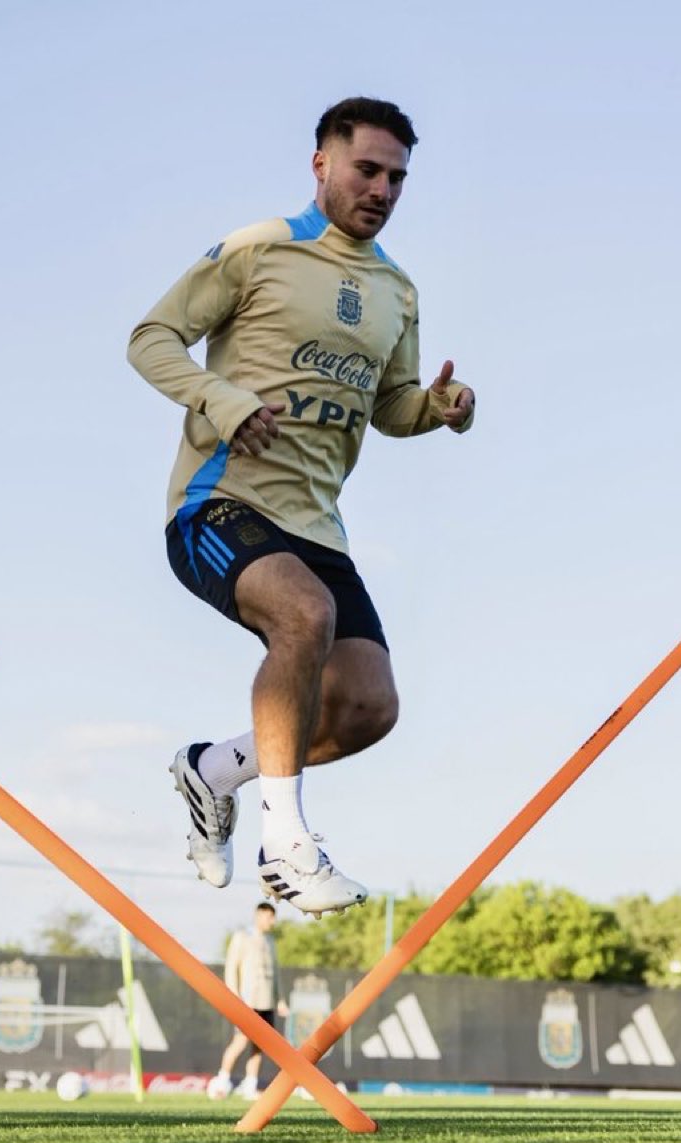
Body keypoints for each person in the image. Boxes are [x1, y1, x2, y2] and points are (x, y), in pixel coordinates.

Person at [128, 96, 475, 917]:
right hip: (218, 505)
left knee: (366, 706)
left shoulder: (397, 290)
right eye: (367, 169)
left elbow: (390, 408)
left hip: (316, 526)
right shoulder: (259, 250)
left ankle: (214, 771)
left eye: (397, 177)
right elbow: (150, 338)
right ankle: (286, 846)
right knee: (303, 614)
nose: (383, 188)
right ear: (321, 164)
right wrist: (220, 401)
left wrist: (441, 407)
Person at [207, 901, 289, 1101]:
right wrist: (234, 995)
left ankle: (250, 1085)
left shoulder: (270, 941)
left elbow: (276, 973)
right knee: (240, 1041)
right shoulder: (242, 937)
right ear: (259, 915)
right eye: (269, 917)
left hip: (266, 1001)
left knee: (259, 1045)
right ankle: (222, 1081)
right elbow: (231, 967)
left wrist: (280, 1000)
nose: (272, 921)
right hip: (247, 1001)